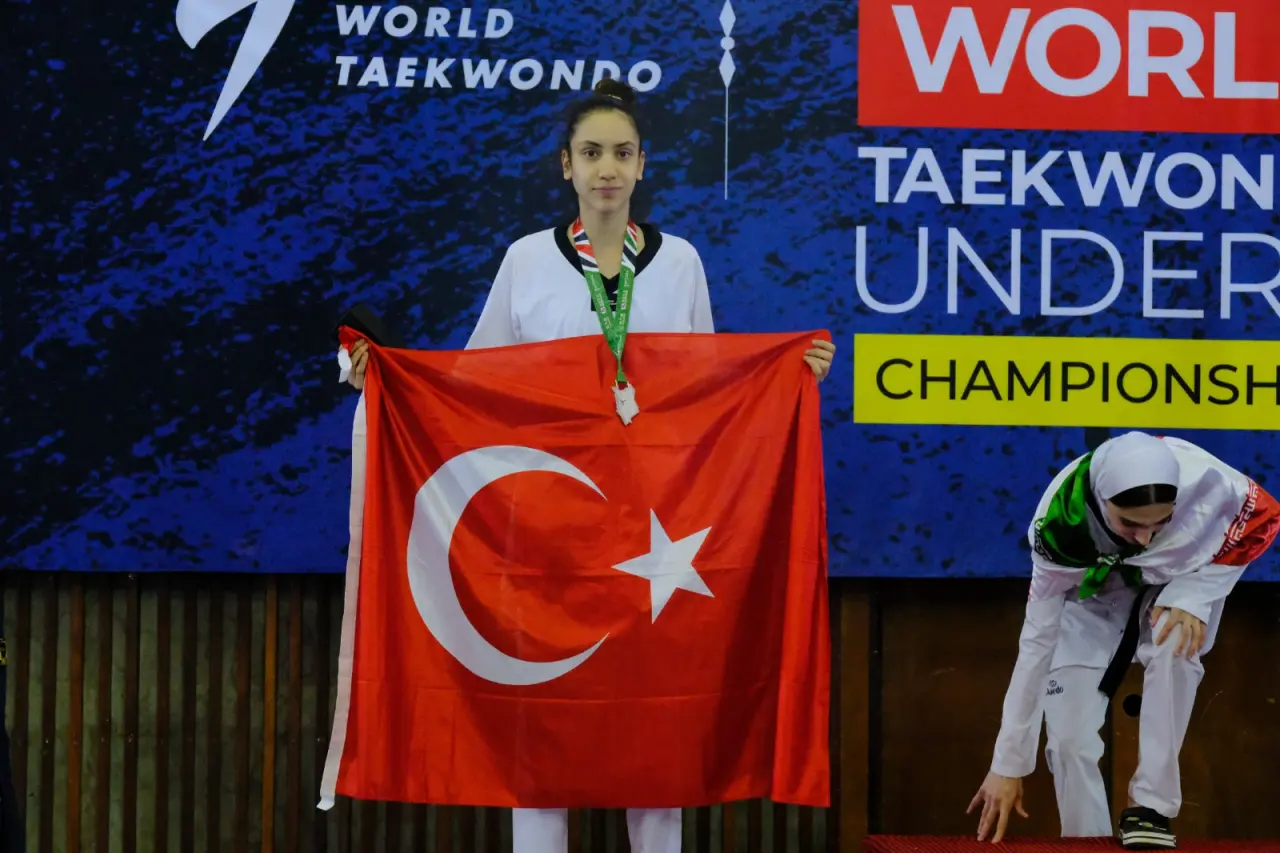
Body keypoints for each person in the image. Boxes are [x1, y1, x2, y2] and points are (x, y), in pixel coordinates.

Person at [344, 77, 836, 853]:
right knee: (539, 746)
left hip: (657, 535)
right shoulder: (525, 261)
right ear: (565, 165)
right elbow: (472, 385)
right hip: (546, 539)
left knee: (658, 744)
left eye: (622, 153)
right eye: (592, 153)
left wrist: (787, 377)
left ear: (643, 165)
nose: (607, 168)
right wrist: (387, 378)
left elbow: (710, 390)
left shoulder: (680, 263)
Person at [968, 431, 1279, 850]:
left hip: (1180, 579)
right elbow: (1036, 642)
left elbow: (1263, 520)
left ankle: (1152, 808)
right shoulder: (1059, 525)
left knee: (1176, 641)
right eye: (1129, 523)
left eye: (1160, 522)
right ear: (1101, 500)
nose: (1145, 538)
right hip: (1095, 593)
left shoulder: (1208, 480)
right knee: (1069, 739)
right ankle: (1086, 842)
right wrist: (1007, 763)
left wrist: (1195, 595)